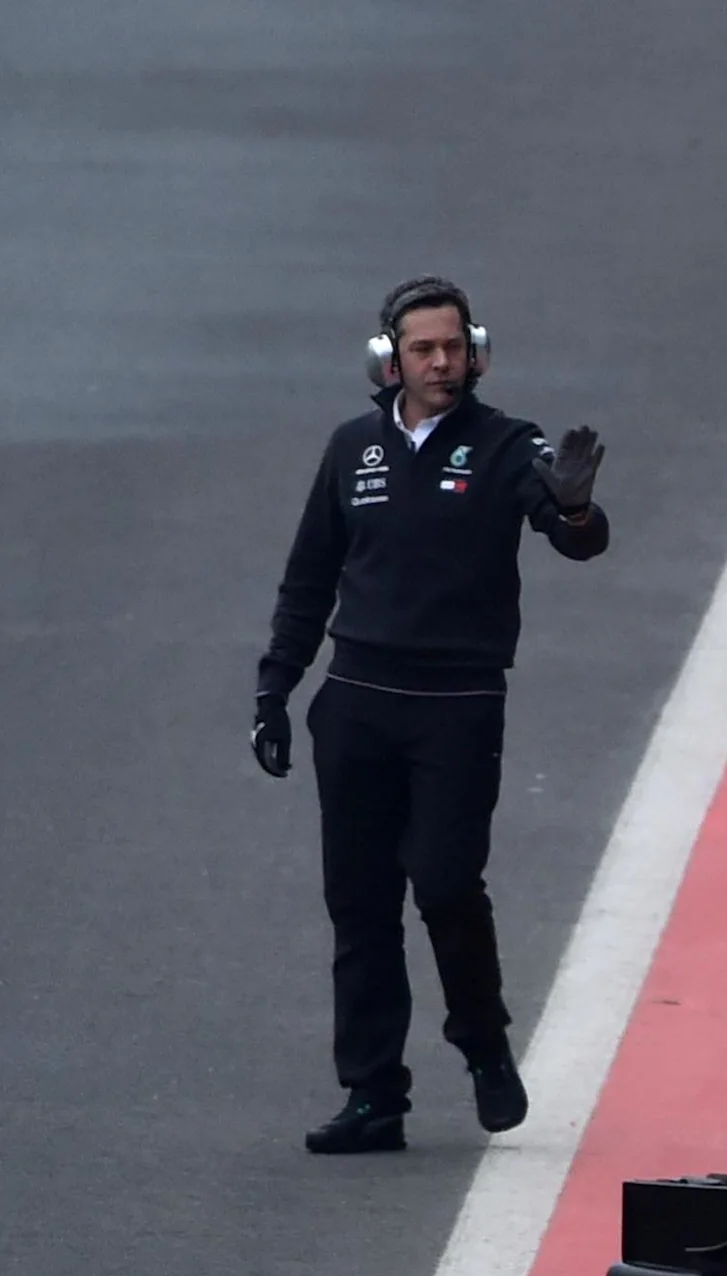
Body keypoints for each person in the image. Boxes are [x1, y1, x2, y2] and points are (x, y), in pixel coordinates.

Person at [250, 276, 610, 1154]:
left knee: (446, 885)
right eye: (424, 349)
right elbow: (308, 580)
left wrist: (572, 504)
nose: (442, 363)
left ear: (475, 352)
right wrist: (275, 689)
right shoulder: (351, 452)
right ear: (390, 359)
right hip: (357, 705)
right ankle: (374, 1097)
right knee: (360, 906)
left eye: (454, 347)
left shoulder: (507, 446)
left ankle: (484, 1048)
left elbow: (573, 537)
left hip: (457, 707)